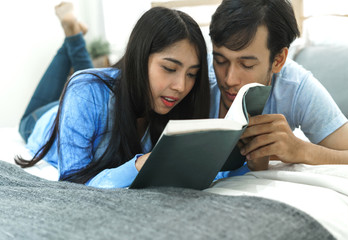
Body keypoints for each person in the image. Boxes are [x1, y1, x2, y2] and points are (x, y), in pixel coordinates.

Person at [15, 3, 210, 188]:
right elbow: (72, 184)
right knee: (86, 84)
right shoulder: (83, 91)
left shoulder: (174, 103)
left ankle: (73, 36)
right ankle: (72, 35)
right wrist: (138, 165)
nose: (181, 86)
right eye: (169, 68)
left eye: (192, 74)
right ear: (139, 57)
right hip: (41, 119)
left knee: (95, 83)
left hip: (102, 96)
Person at [208, 0, 348, 173]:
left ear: (278, 60)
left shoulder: (295, 86)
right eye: (220, 61)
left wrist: (301, 150)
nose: (229, 79)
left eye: (247, 65)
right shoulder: (192, 75)